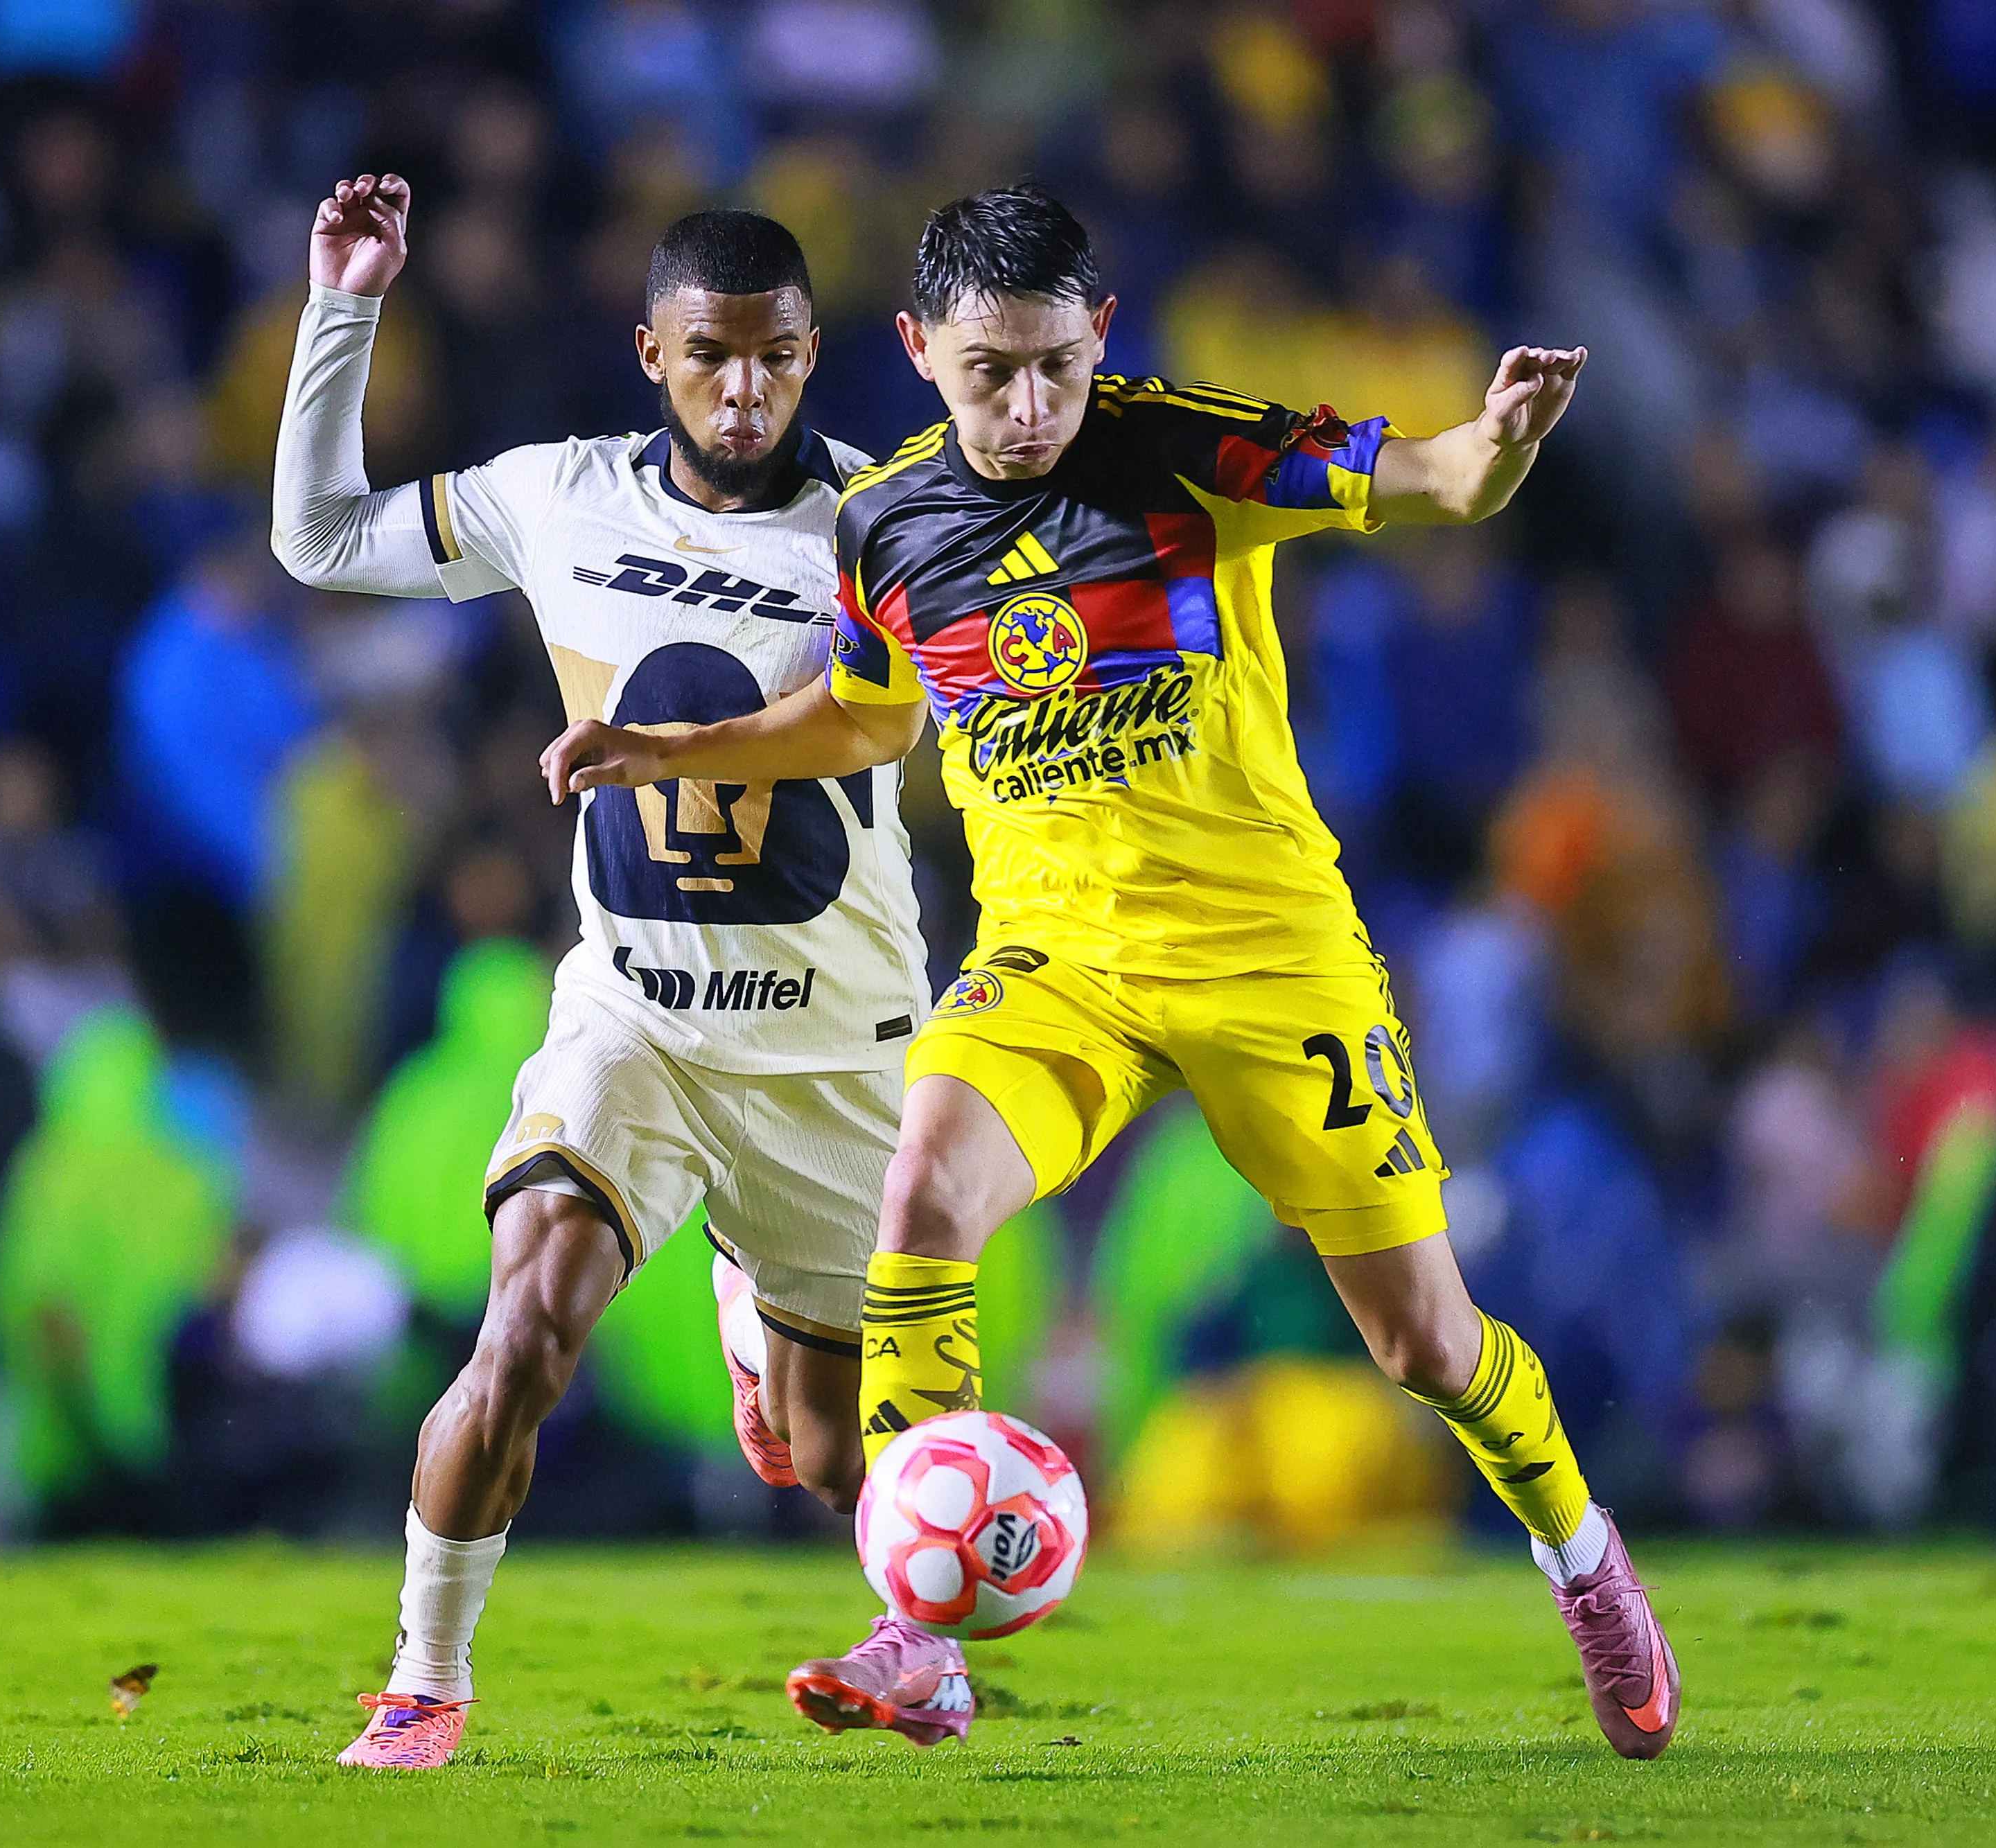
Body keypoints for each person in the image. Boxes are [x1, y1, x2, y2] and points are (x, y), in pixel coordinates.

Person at [544, 185, 1681, 1760]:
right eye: (987, 372)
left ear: (1103, 337)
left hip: (1266, 960)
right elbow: (871, 715)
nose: (1024, 409)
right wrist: (673, 743)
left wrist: (1501, 436)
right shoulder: (889, 523)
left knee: (1422, 1341)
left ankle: (1580, 1555)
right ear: (917, 349)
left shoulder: (1186, 452)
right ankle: (916, 1636)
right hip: (1052, 959)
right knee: (919, 1194)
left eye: (1055, 370)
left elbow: (1430, 479)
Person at [270, 175, 934, 1769]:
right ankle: (425, 1678)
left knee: (852, 1470)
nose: (746, 388)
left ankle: (766, 1328)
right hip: (632, 1018)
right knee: (525, 1331)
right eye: (712, 354)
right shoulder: (555, 495)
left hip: (837, 1053)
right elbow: (317, 540)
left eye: (776, 356)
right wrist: (345, 304)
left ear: (812, 351)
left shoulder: (889, 518)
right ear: (652, 352)